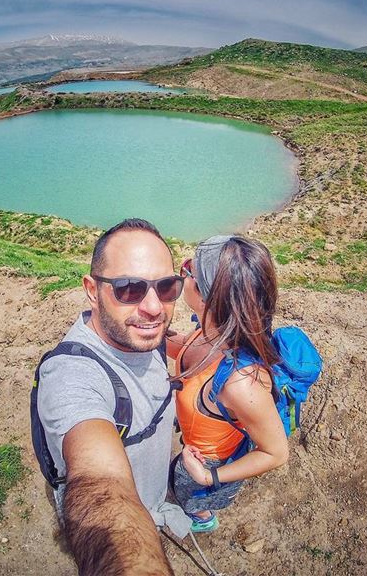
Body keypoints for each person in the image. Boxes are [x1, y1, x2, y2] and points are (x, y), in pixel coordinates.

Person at [36, 218, 192, 575]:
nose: (155, 308)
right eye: (129, 289)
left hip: (151, 496)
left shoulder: (140, 333)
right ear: (92, 290)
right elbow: (101, 484)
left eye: (167, 287)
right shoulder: (72, 374)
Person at [167, 235, 290, 533]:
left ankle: (203, 519)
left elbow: (276, 453)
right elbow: (182, 346)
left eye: (186, 269)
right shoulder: (210, 330)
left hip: (209, 463)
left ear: (206, 296)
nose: (181, 273)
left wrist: (210, 478)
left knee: (191, 496)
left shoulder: (240, 383)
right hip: (195, 443)